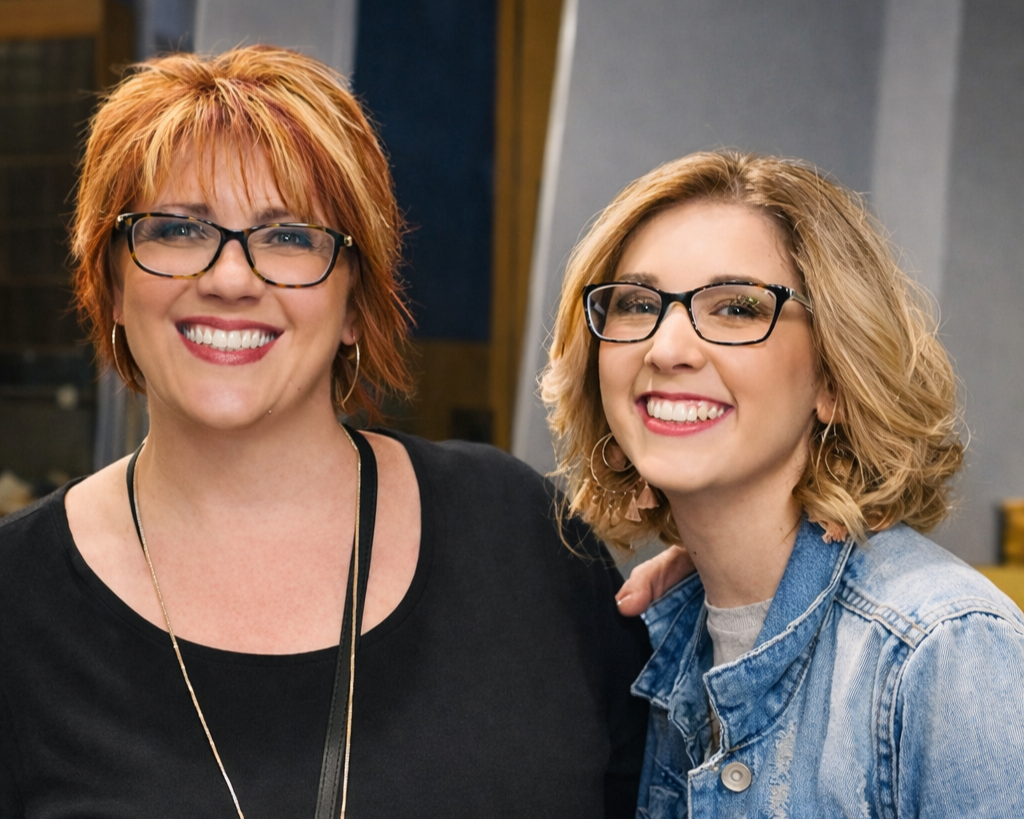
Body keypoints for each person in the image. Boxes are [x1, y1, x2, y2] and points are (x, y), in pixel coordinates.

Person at [0, 46, 650, 818]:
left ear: (354, 304)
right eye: (176, 229)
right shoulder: (16, 600)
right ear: (109, 282)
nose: (231, 278)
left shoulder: (521, 536)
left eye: (289, 237)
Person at [542, 150, 1024, 817]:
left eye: (737, 308)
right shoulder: (666, 636)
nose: (667, 347)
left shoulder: (943, 650)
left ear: (831, 377)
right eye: (636, 304)